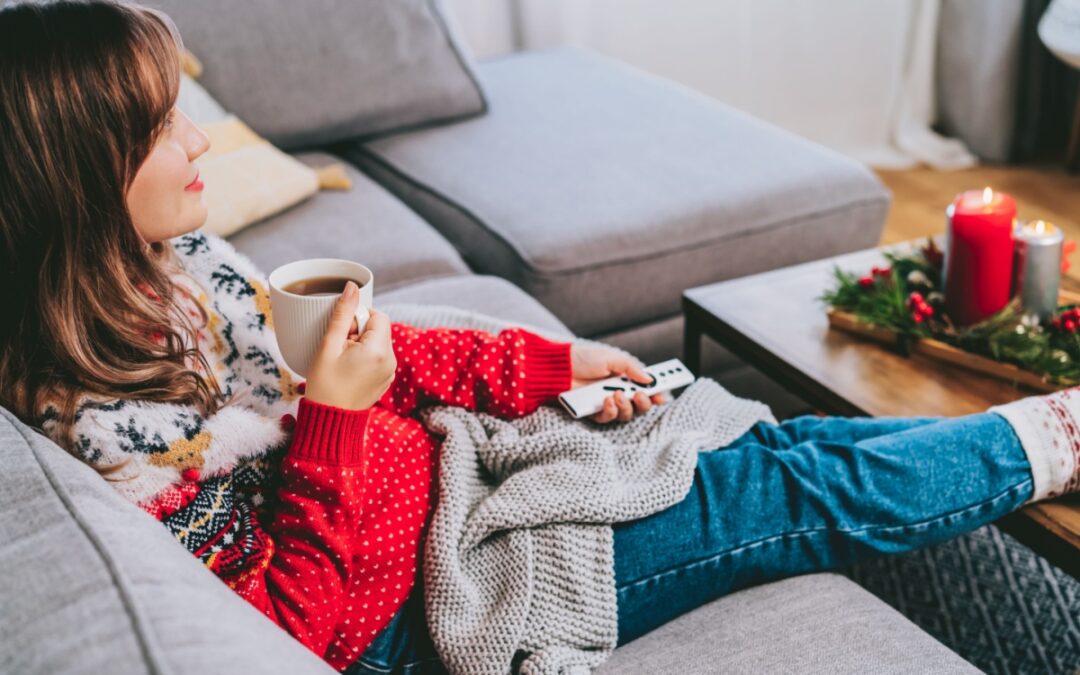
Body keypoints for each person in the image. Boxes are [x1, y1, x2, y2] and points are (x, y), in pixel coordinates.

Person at [0, 2, 1075, 674]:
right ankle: (1056, 440)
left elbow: (377, 353)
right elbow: (298, 631)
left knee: (754, 445)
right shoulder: (108, 428)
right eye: (158, 128)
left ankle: (1023, 441)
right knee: (792, 491)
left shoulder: (185, 271)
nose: (196, 139)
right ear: (77, 175)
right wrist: (331, 417)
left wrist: (543, 365)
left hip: (449, 491)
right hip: (432, 597)